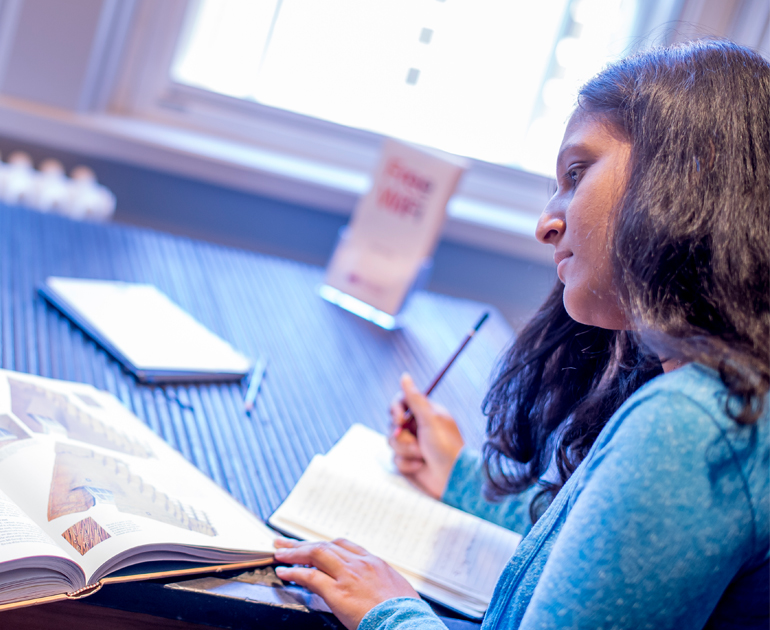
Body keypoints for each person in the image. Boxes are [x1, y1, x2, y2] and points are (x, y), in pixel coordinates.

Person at [273, 38, 770, 630]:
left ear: (689, 174)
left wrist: (389, 613)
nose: (546, 222)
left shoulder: (693, 428)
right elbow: (596, 557)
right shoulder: (721, 397)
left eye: (577, 173)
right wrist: (460, 474)